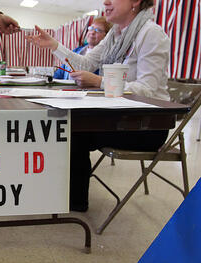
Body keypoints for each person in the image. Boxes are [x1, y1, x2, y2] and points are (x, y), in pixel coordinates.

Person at [27, 0, 170, 211]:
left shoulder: (151, 34)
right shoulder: (115, 36)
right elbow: (86, 63)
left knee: (74, 131)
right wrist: (54, 46)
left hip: (147, 124)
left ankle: (73, 203)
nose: (106, 2)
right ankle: (62, 192)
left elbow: (148, 90)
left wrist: (99, 82)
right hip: (119, 115)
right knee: (66, 125)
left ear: (136, 2)